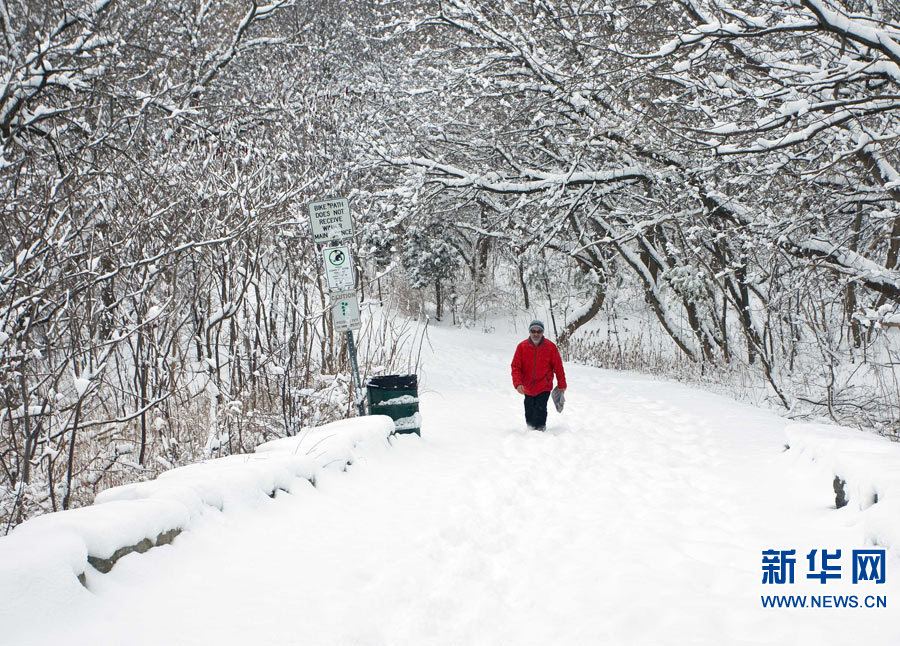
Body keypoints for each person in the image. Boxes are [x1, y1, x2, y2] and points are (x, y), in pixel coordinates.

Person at [511, 319, 567, 431]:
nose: (536, 334)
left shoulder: (551, 347)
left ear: (542, 332)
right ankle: (530, 430)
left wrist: (562, 384)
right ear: (529, 332)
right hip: (527, 387)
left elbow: (558, 367)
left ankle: (541, 430)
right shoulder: (522, 347)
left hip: (543, 386)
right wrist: (518, 383)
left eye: (539, 331)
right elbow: (516, 367)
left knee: (541, 409)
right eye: (533, 331)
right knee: (529, 410)